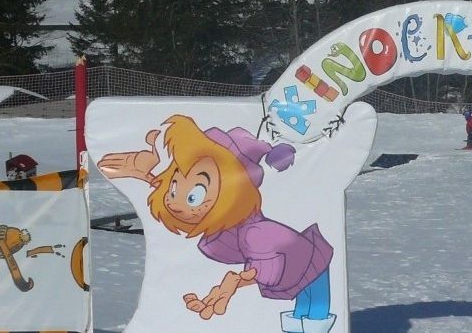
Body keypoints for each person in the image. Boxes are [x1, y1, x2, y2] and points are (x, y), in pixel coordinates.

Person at [96, 115, 336, 333]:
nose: (177, 204)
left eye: (195, 195)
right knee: (304, 317)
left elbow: (268, 266)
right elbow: (183, 197)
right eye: (174, 186)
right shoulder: (234, 222)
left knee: (312, 316)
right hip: (295, 269)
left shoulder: (255, 232)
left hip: (309, 264)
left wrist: (232, 284)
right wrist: (145, 176)